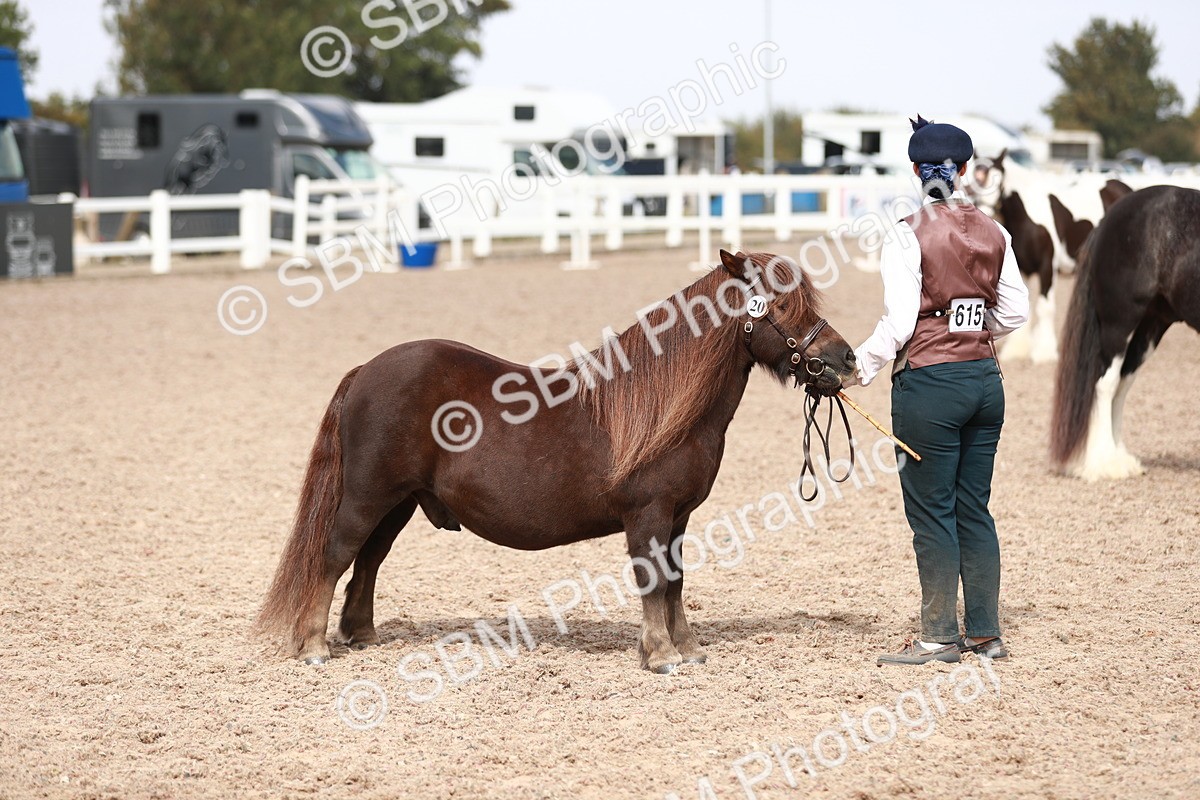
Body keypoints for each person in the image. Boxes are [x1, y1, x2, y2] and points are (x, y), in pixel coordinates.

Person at [850, 115, 1029, 666]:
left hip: (929, 386)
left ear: (913, 170)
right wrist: (971, 330)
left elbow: (900, 324)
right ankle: (985, 634)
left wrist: (858, 368)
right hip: (985, 384)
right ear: (967, 170)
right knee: (975, 509)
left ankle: (936, 638)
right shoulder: (995, 231)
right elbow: (1015, 312)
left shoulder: (907, 232)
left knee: (932, 512)